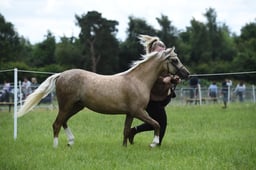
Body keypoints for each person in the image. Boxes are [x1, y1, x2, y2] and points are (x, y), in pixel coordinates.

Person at [128, 35, 180, 147]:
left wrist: (173, 79)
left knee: (155, 122)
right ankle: (157, 144)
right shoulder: (148, 64)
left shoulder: (164, 62)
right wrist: (163, 80)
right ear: (152, 52)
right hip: (151, 98)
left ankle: (133, 131)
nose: (161, 54)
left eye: (163, 51)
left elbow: (169, 74)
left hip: (162, 97)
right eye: (158, 52)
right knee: (162, 121)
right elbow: (149, 78)